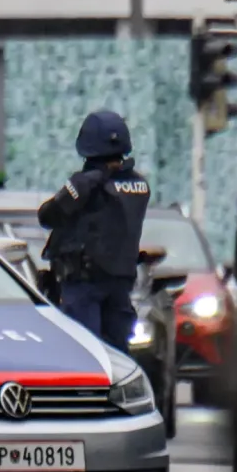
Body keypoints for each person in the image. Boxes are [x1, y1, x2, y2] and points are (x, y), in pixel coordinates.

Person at [37, 109, 151, 352]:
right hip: (121, 286)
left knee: (84, 354)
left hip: (84, 286)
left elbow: (47, 216)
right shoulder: (140, 185)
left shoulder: (86, 183)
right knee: (118, 357)